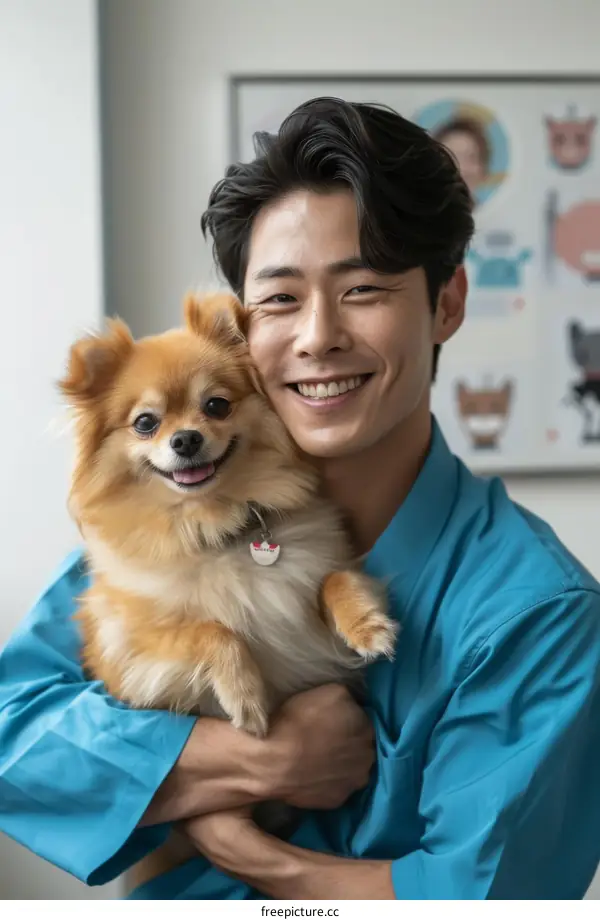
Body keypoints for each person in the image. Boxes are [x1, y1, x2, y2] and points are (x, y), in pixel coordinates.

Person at [1, 97, 600, 901]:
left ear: (446, 304)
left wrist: (258, 858)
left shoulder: (536, 615)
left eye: (363, 290)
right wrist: (248, 761)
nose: (317, 336)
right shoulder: (161, 528)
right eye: (279, 299)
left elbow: (476, 898)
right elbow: (12, 731)